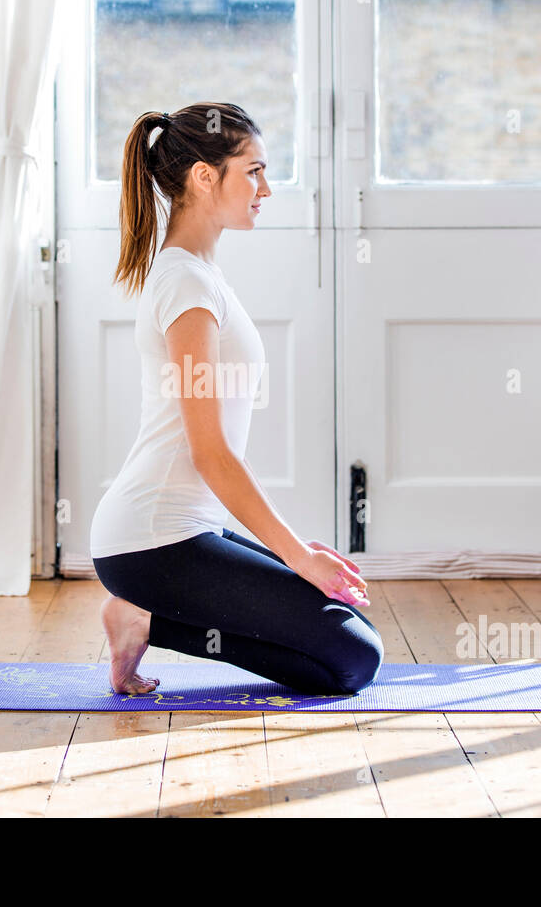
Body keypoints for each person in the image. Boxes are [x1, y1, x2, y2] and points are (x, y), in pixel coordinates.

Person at [90, 102, 383, 696]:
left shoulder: (200, 274)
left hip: (188, 531)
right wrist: (297, 556)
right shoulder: (187, 286)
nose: (266, 189)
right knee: (353, 662)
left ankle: (146, 615)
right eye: (253, 171)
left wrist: (292, 558)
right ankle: (144, 616)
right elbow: (210, 454)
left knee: (353, 633)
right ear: (204, 176)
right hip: (152, 542)